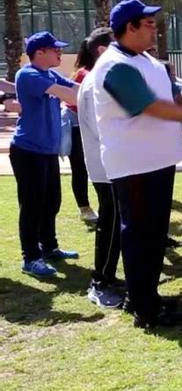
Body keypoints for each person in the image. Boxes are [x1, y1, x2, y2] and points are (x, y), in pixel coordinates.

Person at [92, 0, 182, 327]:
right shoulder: (114, 66)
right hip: (135, 165)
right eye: (148, 23)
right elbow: (151, 106)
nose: (154, 28)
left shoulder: (147, 60)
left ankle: (147, 296)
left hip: (158, 161)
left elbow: (175, 96)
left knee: (153, 234)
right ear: (130, 27)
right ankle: (144, 309)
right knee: (139, 235)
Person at [10, 31, 80, 278]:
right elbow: (71, 95)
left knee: (51, 202)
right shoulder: (28, 74)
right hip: (28, 151)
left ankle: (49, 248)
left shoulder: (50, 74)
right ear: (40, 52)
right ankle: (30, 258)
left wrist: (98, 88)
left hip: (47, 151)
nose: (59, 52)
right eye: (55, 49)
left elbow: (77, 87)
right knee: (31, 206)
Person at [76, 27, 126, 308]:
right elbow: (102, 128)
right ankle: (100, 281)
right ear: (102, 51)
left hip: (114, 164)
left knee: (116, 221)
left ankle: (108, 274)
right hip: (107, 167)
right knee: (110, 221)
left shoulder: (101, 78)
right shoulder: (96, 81)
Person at [66, 45, 100, 224]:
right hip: (77, 125)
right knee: (80, 167)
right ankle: (84, 207)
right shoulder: (85, 74)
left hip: (89, 124)